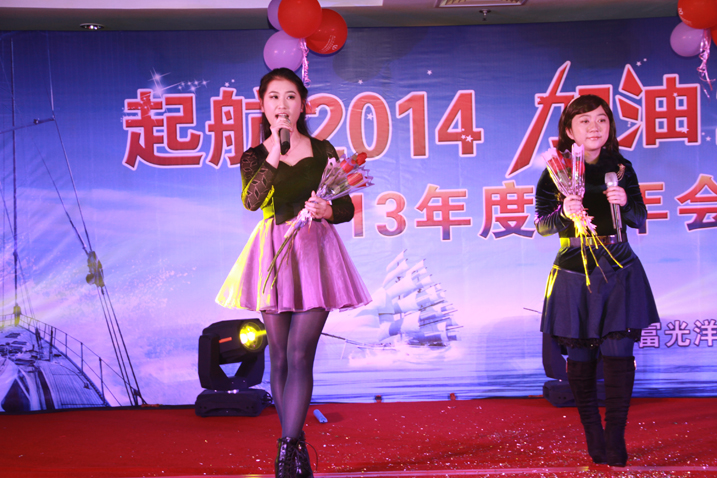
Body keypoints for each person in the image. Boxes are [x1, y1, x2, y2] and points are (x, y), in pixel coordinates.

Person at [215, 68, 371, 478]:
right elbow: (252, 201)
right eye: (274, 97)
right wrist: (274, 150)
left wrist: (326, 209)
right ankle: (295, 446)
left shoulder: (323, 150)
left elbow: (345, 207)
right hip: (272, 254)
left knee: (301, 354)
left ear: (303, 104)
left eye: (290, 97)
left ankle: (286, 451)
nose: (282, 105)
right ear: (262, 104)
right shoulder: (254, 155)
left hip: (314, 254)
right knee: (280, 357)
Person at [534, 95, 659, 467]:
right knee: (581, 357)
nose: (594, 127)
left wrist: (626, 202)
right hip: (574, 270)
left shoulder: (620, 167)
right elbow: (542, 226)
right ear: (569, 130)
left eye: (601, 120)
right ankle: (593, 433)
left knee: (619, 354)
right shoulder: (556, 171)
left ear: (610, 127)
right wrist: (563, 213)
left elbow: (639, 218)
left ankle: (616, 436)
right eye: (585, 121)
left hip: (619, 266)